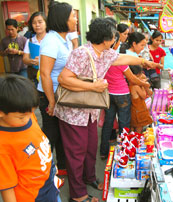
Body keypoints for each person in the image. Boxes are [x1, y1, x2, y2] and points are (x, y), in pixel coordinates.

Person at [56, 18, 161, 202]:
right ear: (106, 38)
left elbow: (122, 58)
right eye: (114, 35)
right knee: (76, 152)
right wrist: (93, 87)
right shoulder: (82, 53)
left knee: (90, 148)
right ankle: (77, 194)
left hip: (90, 111)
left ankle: (89, 178)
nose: (116, 38)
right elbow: (64, 79)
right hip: (73, 113)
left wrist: (145, 62)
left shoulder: (104, 53)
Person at [0, 74, 61, 202]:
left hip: (49, 183)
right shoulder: (3, 145)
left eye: (32, 112)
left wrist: (51, 168)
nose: (28, 119)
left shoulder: (26, 115)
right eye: (22, 117)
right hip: (32, 196)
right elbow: (7, 187)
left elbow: (37, 140)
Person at [38, 1, 77, 177]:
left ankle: (62, 167)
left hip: (59, 94)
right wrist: (51, 102)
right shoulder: (51, 41)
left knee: (61, 134)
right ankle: (41, 171)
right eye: (72, 16)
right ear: (63, 19)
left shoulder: (63, 39)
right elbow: (45, 74)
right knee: (50, 136)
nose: (75, 19)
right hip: (49, 95)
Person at [100, 32, 151, 159]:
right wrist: (144, 84)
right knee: (124, 123)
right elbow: (132, 79)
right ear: (114, 42)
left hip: (108, 94)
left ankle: (103, 151)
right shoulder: (118, 59)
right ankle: (125, 151)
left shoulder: (102, 57)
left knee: (108, 122)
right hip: (122, 95)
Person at [23, 12, 48, 86]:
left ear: (46, 23)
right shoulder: (30, 41)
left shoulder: (52, 39)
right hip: (35, 76)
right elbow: (25, 59)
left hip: (50, 75)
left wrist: (42, 61)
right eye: (34, 23)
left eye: (40, 22)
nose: (37, 25)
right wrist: (32, 61)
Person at [129, 65, 153, 133]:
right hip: (138, 111)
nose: (141, 77)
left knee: (133, 128)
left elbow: (150, 93)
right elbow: (143, 96)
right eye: (139, 75)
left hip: (135, 110)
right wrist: (143, 85)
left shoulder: (130, 84)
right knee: (138, 128)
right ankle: (136, 140)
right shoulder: (136, 86)